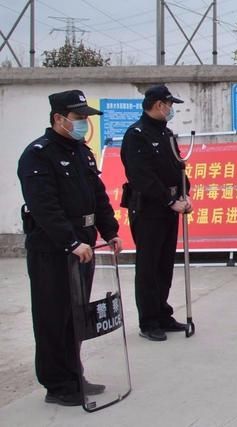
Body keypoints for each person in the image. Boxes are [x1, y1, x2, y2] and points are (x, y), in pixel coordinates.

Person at [17, 90, 123, 406]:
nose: (83, 122)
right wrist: (71, 241)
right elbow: (44, 206)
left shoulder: (81, 152)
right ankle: (57, 384)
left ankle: (74, 373)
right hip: (54, 249)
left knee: (76, 315)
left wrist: (111, 231)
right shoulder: (38, 154)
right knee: (53, 315)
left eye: (85, 117)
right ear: (58, 119)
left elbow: (98, 195)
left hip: (84, 245)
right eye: (78, 118)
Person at [120, 85, 192, 342]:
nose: (171, 109)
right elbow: (141, 176)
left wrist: (185, 194)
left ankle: (163, 313)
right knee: (149, 266)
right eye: (169, 105)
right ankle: (148, 320)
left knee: (164, 264)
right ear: (159, 105)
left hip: (170, 208)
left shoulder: (167, 134)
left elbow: (178, 167)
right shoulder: (136, 135)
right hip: (149, 209)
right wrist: (169, 200)